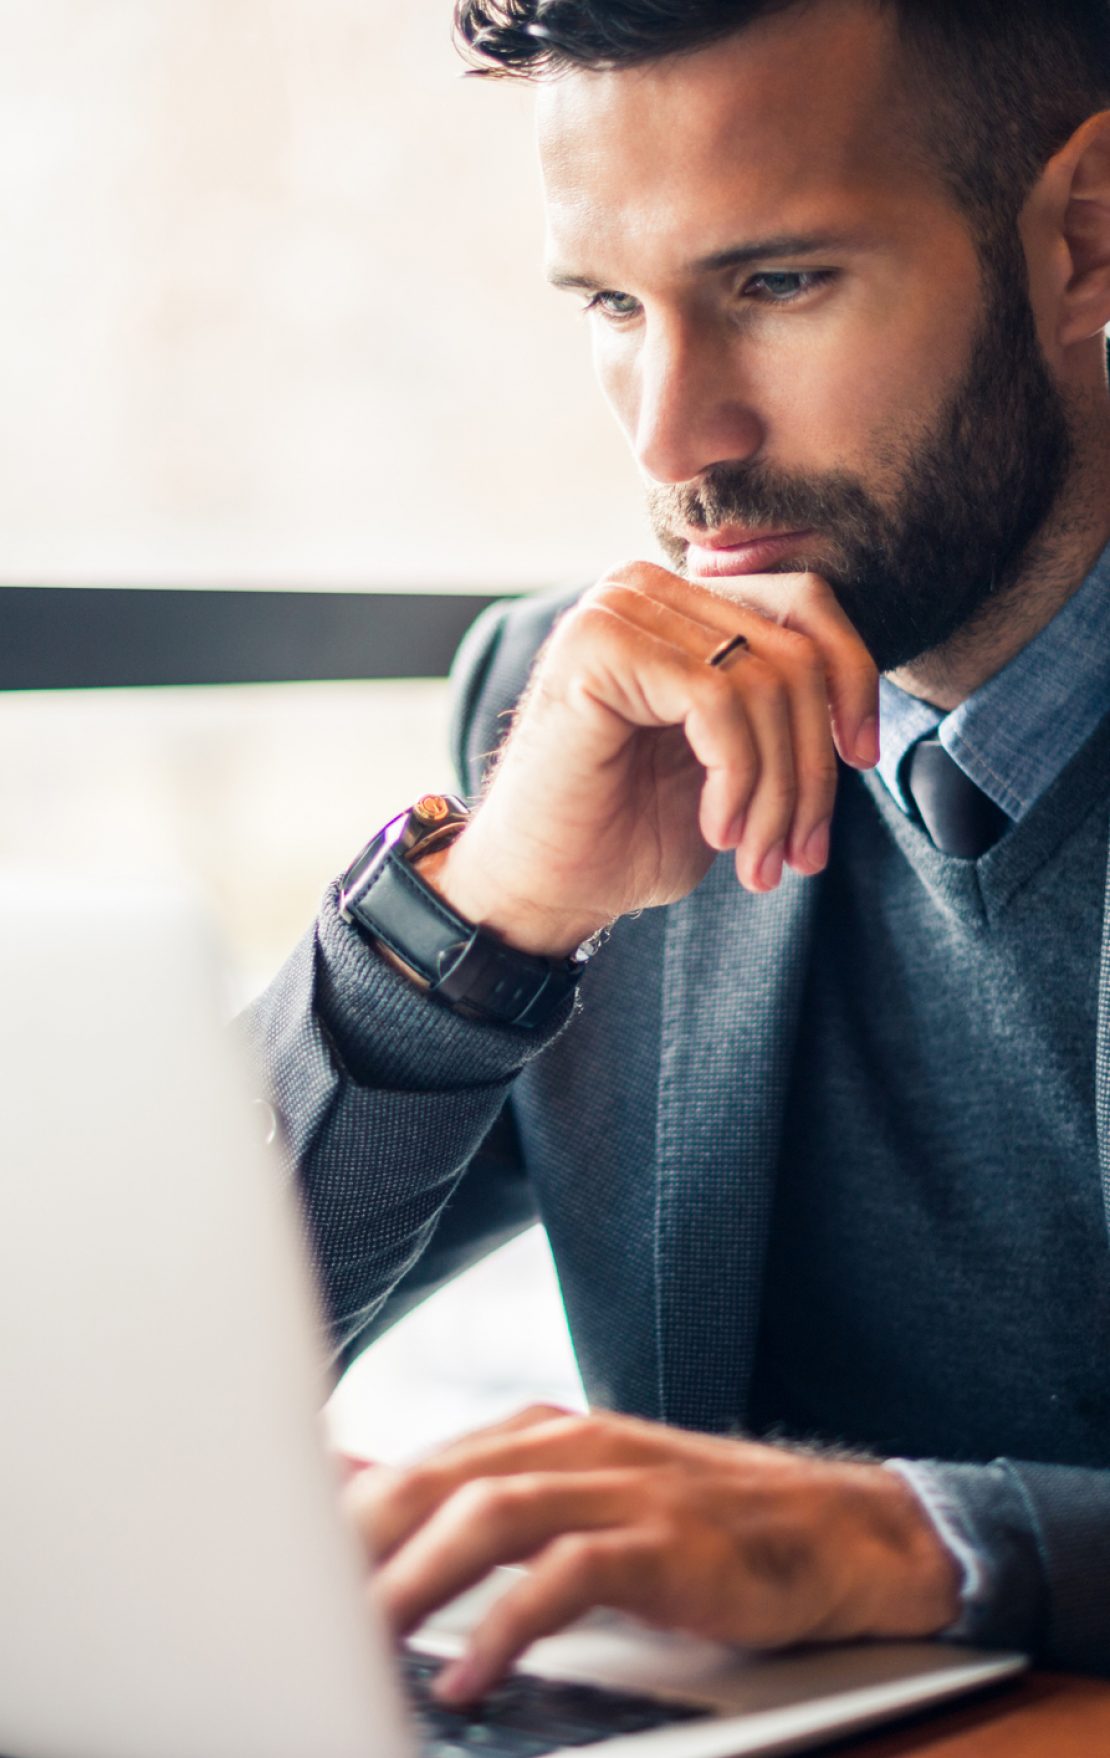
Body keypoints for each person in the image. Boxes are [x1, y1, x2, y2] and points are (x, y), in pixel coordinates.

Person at [246, 0, 1110, 1704]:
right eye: (610, 307)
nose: (670, 441)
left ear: (1082, 239)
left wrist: (917, 1540)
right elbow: (131, 1356)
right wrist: (487, 912)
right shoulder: (579, 702)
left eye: (776, 284)